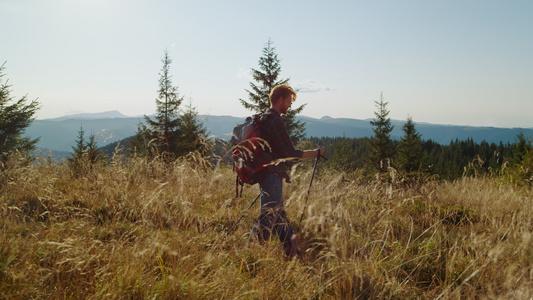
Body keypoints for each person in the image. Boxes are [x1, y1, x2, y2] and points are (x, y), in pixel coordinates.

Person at [249, 84, 324, 258]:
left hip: (265, 173)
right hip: (271, 175)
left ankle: (292, 251)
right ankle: (251, 251)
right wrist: (314, 153)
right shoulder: (274, 120)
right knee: (269, 215)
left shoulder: (263, 117)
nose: (290, 106)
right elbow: (289, 152)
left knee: (278, 213)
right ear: (280, 99)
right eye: (289, 101)